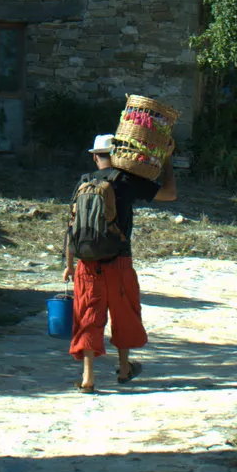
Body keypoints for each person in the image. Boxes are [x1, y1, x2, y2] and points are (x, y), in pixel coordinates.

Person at [62, 132, 177, 393]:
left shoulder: (84, 182)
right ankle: (124, 368)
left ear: (95, 157)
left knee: (88, 317)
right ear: (120, 156)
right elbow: (169, 195)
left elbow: (71, 226)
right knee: (123, 313)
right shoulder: (127, 180)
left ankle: (88, 378)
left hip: (87, 264)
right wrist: (168, 160)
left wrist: (69, 265)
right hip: (119, 261)